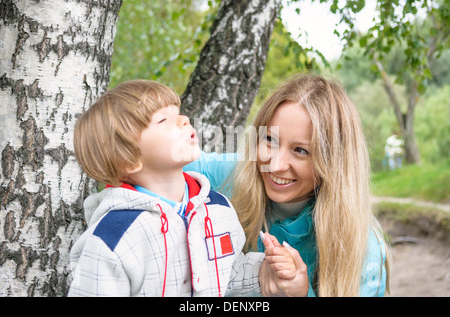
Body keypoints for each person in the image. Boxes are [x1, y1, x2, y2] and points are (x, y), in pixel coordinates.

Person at [68, 79, 300, 297]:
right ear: (128, 160)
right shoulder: (113, 239)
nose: (184, 120)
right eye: (162, 120)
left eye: (177, 113)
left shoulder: (217, 207)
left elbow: (228, 274)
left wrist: (264, 274)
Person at [185, 74, 391, 297]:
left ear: (333, 163)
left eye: (300, 150)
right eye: (270, 140)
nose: (275, 164)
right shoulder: (238, 174)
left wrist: (301, 294)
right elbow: (169, 160)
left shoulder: (361, 246)